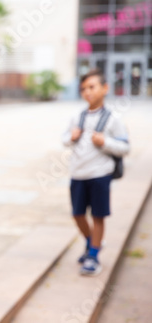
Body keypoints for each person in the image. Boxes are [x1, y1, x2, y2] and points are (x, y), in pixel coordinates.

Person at [62, 69, 129, 276]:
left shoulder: (113, 119)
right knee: (77, 214)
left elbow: (125, 147)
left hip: (100, 174)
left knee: (98, 215)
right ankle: (93, 243)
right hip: (78, 174)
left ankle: (93, 255)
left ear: (105, 88)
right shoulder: (77, 116)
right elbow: (64, 139)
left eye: (92, 87)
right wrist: (71, 137)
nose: (87, 92)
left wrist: (105, 142)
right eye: (83, 89)